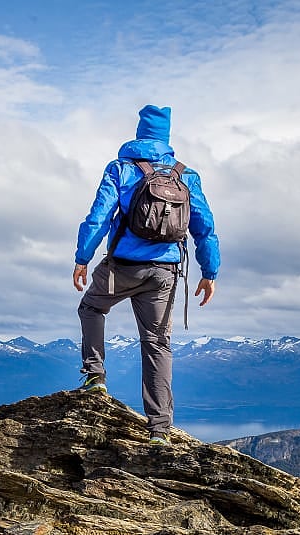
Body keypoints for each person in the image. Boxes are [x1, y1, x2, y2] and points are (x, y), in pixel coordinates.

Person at [72, 104, 220, 446]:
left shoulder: (121, 169)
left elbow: (98, 217)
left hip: (121, 268)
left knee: (92, 308)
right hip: (165, 273)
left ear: (139, 133)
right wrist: (209, 272)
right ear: (166, 137)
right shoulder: (185, 175)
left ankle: (95, 376)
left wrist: (82, 258)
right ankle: (159, 430)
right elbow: (205, 228)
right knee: (157, 344)